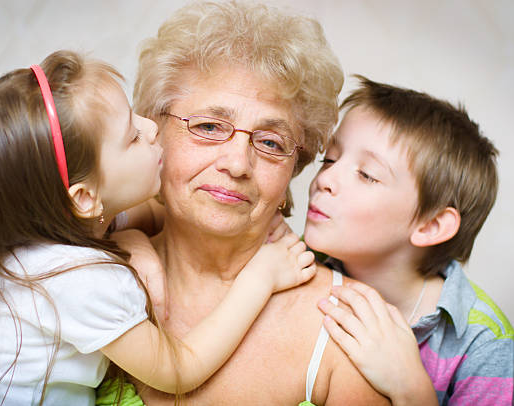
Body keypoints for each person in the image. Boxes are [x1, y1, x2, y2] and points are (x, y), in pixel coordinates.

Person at [0, 50, 318, 406]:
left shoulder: (44, 235)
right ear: (85, 197)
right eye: (131, 136)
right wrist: (260, 277)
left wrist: (137, 243)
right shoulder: (80, 279)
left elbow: (146, 215)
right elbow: (178, 370)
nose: (151, 127)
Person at [110, 1, 390, 405]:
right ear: (154, 132)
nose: (238, 163)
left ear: (297, 164)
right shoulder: (92, 275)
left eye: (271, 142)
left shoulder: (347, 324)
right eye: (209, 127)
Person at [308, 76, 514, 405]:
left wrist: (411, 387)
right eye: (330, 158)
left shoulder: (484, 343)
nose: (325, 178)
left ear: (431, 224)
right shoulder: (297, 260)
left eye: (367, 174)